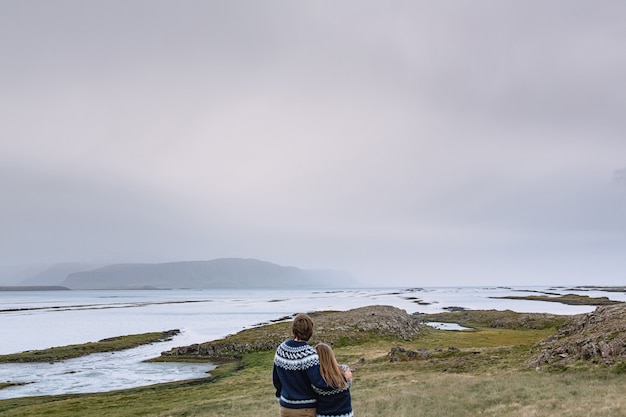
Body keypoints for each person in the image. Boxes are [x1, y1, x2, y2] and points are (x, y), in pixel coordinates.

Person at [273, 313, 328, 417]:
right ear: (310, 331)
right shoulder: (309, 355)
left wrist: (281, 397)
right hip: (306, 408)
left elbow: (276, 379)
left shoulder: (281, 349)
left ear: (294, 329)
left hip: (285, 407)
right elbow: (318, 383)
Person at [313, 343, 354, 417]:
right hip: (345, 414)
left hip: (324, 414)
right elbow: (349, 384)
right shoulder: (344, 370)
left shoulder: (316, 377)